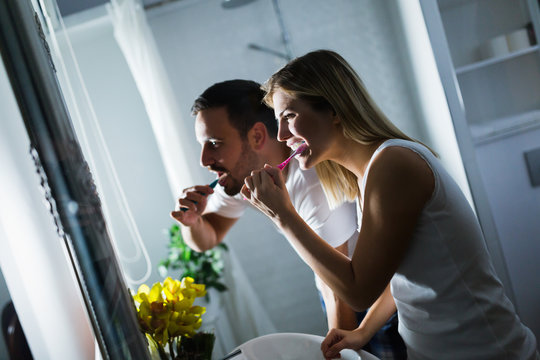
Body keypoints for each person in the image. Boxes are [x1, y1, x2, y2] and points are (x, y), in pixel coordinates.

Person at [241, 50, 539, 359]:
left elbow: (359, 291)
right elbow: (396, 276)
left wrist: (284, 216)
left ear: (334, 109)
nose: (282, 135)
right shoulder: (368, 174)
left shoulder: (393, 164)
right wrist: (363, 331)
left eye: (289, 117)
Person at [170, 80, 406, 359]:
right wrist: (193, 222)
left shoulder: (312, 181)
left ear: (257, 137)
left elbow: (341, 293)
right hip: (332, 283)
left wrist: (336, 354)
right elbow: (207, 238)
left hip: (380, 297)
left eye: (214, 144)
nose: (204, 159)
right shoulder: (239, 176)